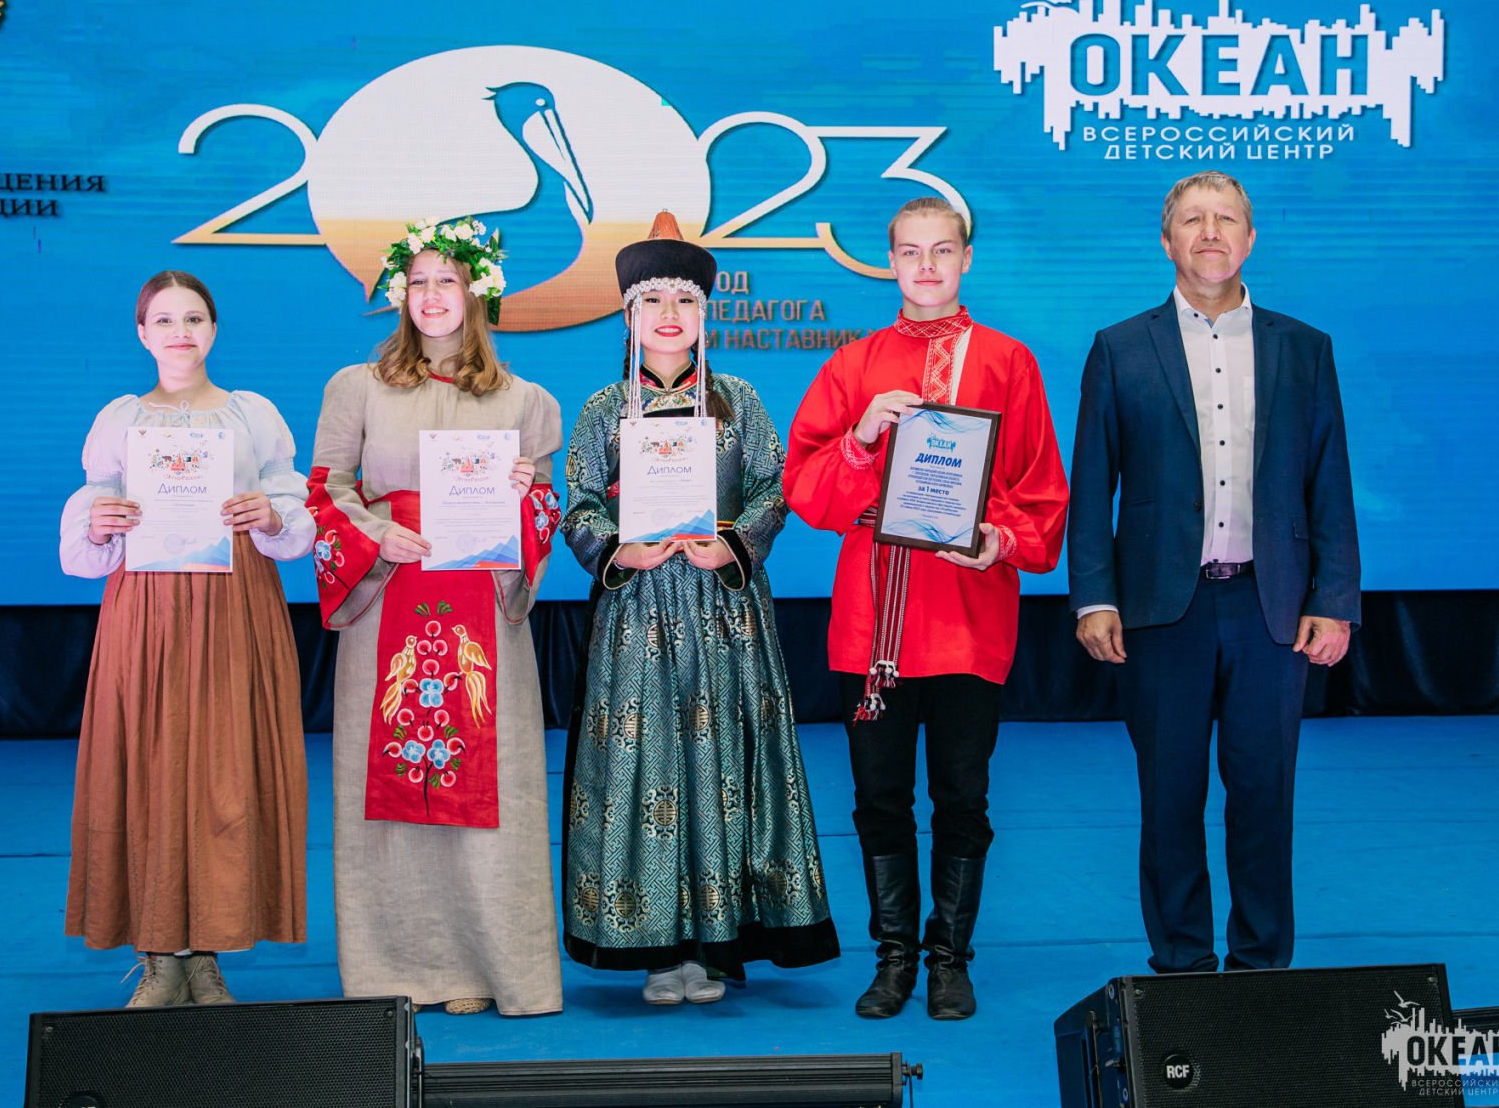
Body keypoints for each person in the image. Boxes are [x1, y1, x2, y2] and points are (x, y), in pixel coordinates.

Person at [784, 197, 1068, 1020]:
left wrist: (998, 538)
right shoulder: (854, 365)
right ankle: (895, 957)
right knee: (878, 796)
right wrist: (861, 437)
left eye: (943, 250)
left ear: (966, 258)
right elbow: (805, 489)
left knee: (962, 795)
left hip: (968, 614)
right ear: (890, 261)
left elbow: (1044, 494)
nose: (928, 266)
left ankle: (950, 957)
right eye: (911, 252)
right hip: (870, 618)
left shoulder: (1009, 361)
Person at [1068, 170, 1359, 973]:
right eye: (1192, 220)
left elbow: (1329, 480)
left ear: (1249, 238)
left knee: (1265, 794)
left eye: (1225, 219)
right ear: (1167, 241)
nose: (1209, 233)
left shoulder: (1304, 348)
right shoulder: (1120, 348)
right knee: (1169, 797)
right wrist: (1094, 596)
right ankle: (1183, 968)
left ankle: (1261, 967)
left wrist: (1335, 598)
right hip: (1163, 611)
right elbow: (1092, 485)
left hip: (1273, 608)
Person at [560, 211, 838, 1005]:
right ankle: (657, 945)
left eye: (685, 299)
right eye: (652, 300)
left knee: (724, 765)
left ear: (706, 313)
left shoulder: (739, 400)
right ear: (628, 316)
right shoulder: (604, 408)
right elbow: (577, 501)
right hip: (639, 613)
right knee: (644, 765)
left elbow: (773, 488)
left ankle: (717, 942)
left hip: (724, 612)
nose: (669, 314)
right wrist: (619, 548)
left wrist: (735, 543)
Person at [308, 217, 565, 1016]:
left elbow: (546, 508)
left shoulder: (527, 401)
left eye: (446, 281)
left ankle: (493, 967)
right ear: (400, 295)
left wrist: (524, 497)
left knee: (496, 788)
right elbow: (325, 492)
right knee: (385, 790)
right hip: (388, 601)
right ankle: (392, 967)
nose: (430, 296)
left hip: (482, 614)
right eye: (416, 281)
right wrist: (375, 534)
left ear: (476, 292)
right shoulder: (356, 386)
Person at [59, 271, 312, 1007]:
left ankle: (208, 954)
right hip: (147, 613)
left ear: (214, 329)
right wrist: (97, 524)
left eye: (194, 318)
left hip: (235, 607)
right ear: (142, 333)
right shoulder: (120, 419)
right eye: (164, 320)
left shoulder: (252, 415)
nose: (180, 332)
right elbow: (89, 524)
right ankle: (158, 956)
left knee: (224, 771)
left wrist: (271, 516)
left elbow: (293, 511)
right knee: (149, 767)